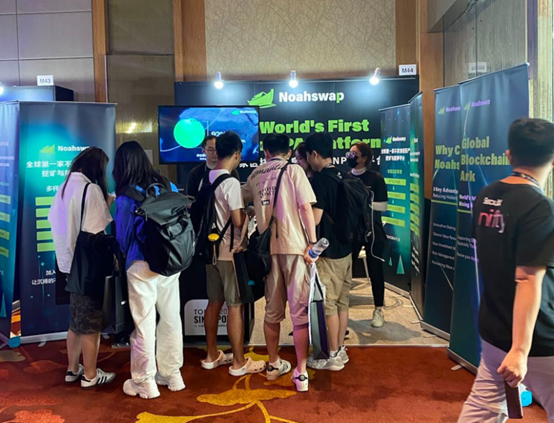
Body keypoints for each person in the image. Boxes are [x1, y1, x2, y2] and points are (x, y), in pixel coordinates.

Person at [458, 118, 554, 423]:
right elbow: (526, 279)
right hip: (536, 339)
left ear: (509, 155)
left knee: (482, 409)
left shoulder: (486, 195)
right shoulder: (540, 206)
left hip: (495, 330)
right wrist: (520, 350)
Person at [243, 134, 317, 392]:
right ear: (288, 151)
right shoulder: (295, 171)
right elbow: (305, 208)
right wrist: (312, 243)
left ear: (265, 152)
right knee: (300, 314)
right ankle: (301, 372)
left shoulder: (255, 174)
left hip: (267, 253)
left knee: (272, 312)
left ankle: (273, 364)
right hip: (295, 248)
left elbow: (242, 201)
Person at [113, 141, 185, 399]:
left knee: (144, 322)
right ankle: (172, 374)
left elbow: (123, 237)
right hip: (170, 261)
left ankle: (145, 381)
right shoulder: (168, 185)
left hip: (140, 263)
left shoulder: (126, 196)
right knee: (171, 317)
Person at [49, 147, 116, 389]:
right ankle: (90, 375)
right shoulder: (91, 189)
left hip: (66, 263)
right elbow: (96, 230)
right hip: (86, 266)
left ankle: (73, 368)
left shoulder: (64, 186)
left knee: (76, 320)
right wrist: (107, 203)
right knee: (90, 324)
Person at [201, 131, 266, 376]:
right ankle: (239, 362)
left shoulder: (207, 178)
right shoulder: (230, 183)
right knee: (235, 306)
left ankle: (211, 355)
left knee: (213, 303)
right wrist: (249, 212)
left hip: (210, 252)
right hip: (230, 252)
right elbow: (238, 222)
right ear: (237, 154)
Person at [304, 132, 352, 371]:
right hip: (347, 250)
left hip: (328, 252)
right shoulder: (343, 175)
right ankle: (340, 349)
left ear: (314, 154)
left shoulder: (320, 181)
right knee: (342, 302)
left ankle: (331, 355)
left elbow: (315, 219)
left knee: (329, 304)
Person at [347, 142, 388, 327]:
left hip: (373, 231)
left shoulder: (375, 178)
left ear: (364, 158)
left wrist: (365, 203)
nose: (350, 156)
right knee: (345, 271)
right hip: (352, 232)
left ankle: (379, 309)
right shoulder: (346, 178)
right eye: (349, 153)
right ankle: (341, 310)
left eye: (354, 154)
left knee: (375, 271)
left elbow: (383, 206)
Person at [186, 135, 240, 199]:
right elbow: (190, 198)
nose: (215, 153)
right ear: (203, 151)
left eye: (217, 150)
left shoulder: (232, 171)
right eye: (211, 150)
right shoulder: (195, 173)